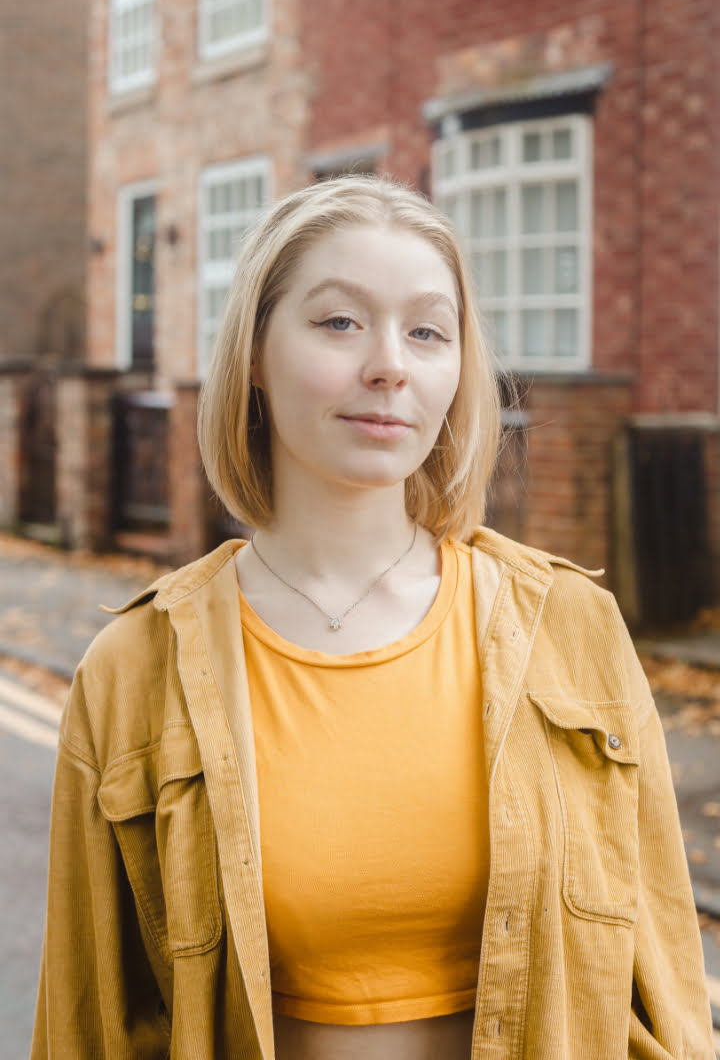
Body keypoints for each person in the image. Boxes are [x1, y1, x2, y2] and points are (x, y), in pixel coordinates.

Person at [32, 175, 713, 1060]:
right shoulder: (131, 670)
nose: (390, 362)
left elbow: (664, 994)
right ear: (252, 356)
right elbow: (88, 1028)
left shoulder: (571, 627)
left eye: (428, 330)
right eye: (339, 321)